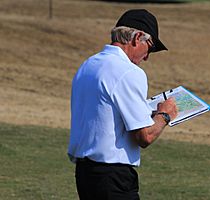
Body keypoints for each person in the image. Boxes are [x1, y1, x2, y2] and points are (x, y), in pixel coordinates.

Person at [68, 9, 178, 200]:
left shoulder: (88, 64)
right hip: (113, 178)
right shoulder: (129, 72)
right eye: (150, 48)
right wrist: (165, 115)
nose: (147, 57)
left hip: (85, 174)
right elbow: (145, 137)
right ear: (137, 38)